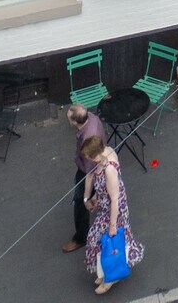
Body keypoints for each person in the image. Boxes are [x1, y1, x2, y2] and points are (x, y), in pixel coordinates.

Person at [80, 134, 144, 294]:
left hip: (113, 211)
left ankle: (111, 276)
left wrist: (113, 225)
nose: (87, 159)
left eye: (88, 156)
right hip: (105, 207)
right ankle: (104, 272)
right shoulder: (105, 152)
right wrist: (95, 197)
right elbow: (102, 187)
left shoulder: (109, 169)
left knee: (106, 241)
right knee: (101, 241)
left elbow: (114, 198)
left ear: (96, 155)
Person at [64, 103, 105, 256]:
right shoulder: (91, 117)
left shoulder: (88, 139)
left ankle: (81, 237)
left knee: (80, 201)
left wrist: (87, 197)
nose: (67, 118)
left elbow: (89, 174)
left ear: (75, 121)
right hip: (92, 164)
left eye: (69, 118)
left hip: (87, 169)